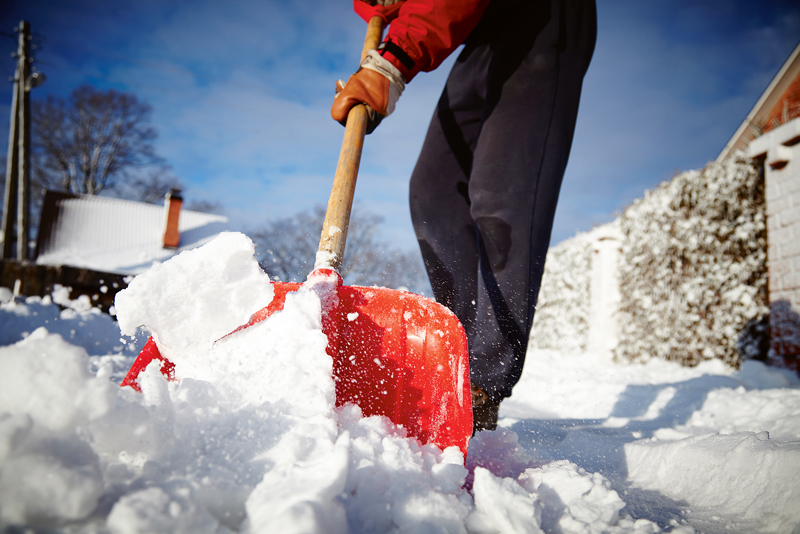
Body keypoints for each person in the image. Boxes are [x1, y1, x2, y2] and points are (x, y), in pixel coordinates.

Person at [332, 0, 597, 433]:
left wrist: (392, 62)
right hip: (484, 32)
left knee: (500, 195)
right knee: (433, 192)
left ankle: (482, 383)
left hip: (543, 17)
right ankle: (458, 355)